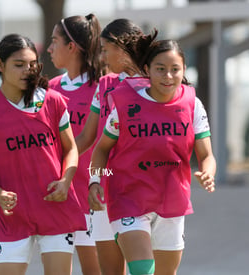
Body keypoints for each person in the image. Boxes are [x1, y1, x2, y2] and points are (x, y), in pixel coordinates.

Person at [88, 32, 216, 275]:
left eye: (174, 69)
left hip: (172, 200)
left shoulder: (192, 104)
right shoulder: (125, 103)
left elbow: (206, 154)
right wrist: (95, 180)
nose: (168, 76)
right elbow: (102, 149)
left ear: (184, 70)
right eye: (160, 69)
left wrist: (208, 173)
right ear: (147, 70)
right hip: (128, 199)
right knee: (142, 271)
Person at [0, 33, 86, 275]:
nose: (27, 71)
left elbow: (71, 149)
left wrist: (65, 181)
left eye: (32, 65)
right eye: (19, 65)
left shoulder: (53, 102)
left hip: (55, 209)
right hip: (12, 217)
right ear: (0, 65)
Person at [75, 18, 144, 275]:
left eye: (105, 49)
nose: (102, 57)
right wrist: (93, 179)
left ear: (122, 46)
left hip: (144, 189)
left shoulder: (157, 82)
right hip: (108, 182)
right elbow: (86, 139)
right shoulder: (104, 85)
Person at [47, 14, 102, 275]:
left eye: (54, 41)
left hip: (95, 193)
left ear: (72, 47)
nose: (49, 48)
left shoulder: (103, 87)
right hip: (62, 194)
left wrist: (100, 181)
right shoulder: (50, 89)